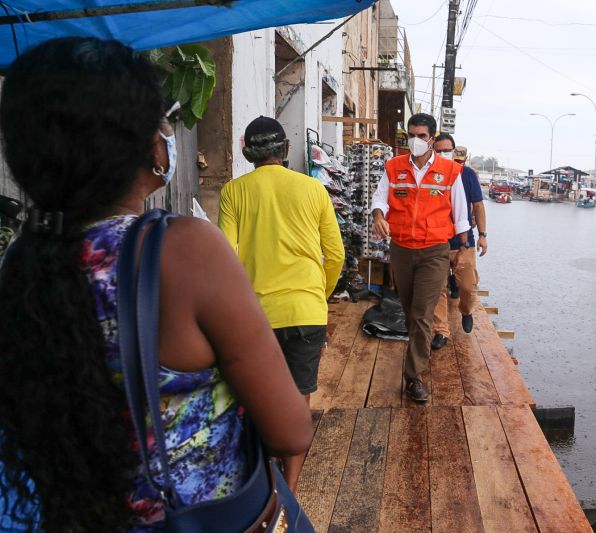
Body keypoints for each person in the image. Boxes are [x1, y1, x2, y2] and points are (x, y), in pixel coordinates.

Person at [0, 37, 312, 532]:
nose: (169, 131)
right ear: (140, 142)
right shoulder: (182, 250)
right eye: (165, 118)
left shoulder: (20, 261)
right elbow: (290, 428)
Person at [218, 116, 344, 490]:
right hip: (306, 309)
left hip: (257, 317)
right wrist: (319, 296)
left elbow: (227, 256)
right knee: (298, 399)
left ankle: (261, 480)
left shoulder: (233, 192)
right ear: (286, 150)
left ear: (247, 153)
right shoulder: (313, 189)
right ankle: (289, 486)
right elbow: (334, 253)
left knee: (258, 397)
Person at [371, 113, 470, 402]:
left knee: (422, 314)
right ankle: (416, 359)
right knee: (409, 310)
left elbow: (461, 213)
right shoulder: (393, 167)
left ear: (432, 138)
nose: (415, 140)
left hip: (434, 251)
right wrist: (379, 215)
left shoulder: (450, 171)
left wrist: (461, 249)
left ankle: (413, 376)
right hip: (401, 249)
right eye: (411, 135)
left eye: (422, 135)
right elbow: (380, 199)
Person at [431, 136, 487, 349]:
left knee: (468, 286)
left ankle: (466, 310)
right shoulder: (429, 174)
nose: (444, 153)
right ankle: (441, 330)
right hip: (437, 242)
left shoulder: (467, 175)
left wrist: (483, 234)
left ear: (454, 152)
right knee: (438, 288)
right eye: (439, 150)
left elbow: (479, 206)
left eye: (447, 150)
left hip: (464, 242)